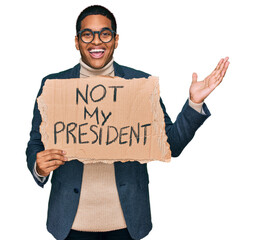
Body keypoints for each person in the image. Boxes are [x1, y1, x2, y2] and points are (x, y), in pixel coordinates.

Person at [26, 5, 229, 240]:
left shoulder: (138, 84)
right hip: (69, 223)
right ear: (77, 41)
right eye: (87, 34)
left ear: (116, 39)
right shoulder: (53, 85)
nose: (96, 41)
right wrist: (39, 167)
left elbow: (171, 145)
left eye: (105, 33)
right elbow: (35, 145)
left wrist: (193, 103)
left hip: (127, 223)